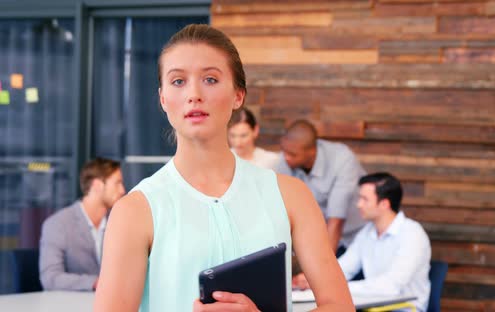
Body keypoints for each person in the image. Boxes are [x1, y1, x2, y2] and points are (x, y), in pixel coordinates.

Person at [94, 24, 353, 312]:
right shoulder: (135, 211)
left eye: (210, 79)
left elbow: (340, 305)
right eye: (178, 81)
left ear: (238, 96)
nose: (194, 93)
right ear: (163, 98)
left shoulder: (291, 195)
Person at [294, 172, 432, 312]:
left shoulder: (412, 233)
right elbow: (344, 268)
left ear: (384, 204)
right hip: (376, 307)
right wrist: (316, 279)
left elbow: (390, 287)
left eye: (365, 199)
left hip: (405, 309)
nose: (358, 204)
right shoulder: (367, 232)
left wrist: (335, 287)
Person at [276, 120, 366, 253]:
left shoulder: (342, 160)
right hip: (318, 237)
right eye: (284, 151)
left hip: (354, 238)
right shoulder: (287, 159)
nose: (286, 157)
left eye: (293, 155)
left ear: (312, 152)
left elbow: (336, 221)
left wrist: (321, 267)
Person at [39, 157, 125, 291]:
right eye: (117, 183)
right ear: (97, 185)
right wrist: (96, 282)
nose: (122, 190)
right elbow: (51, 278)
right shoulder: (58, 224)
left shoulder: (118, 223)